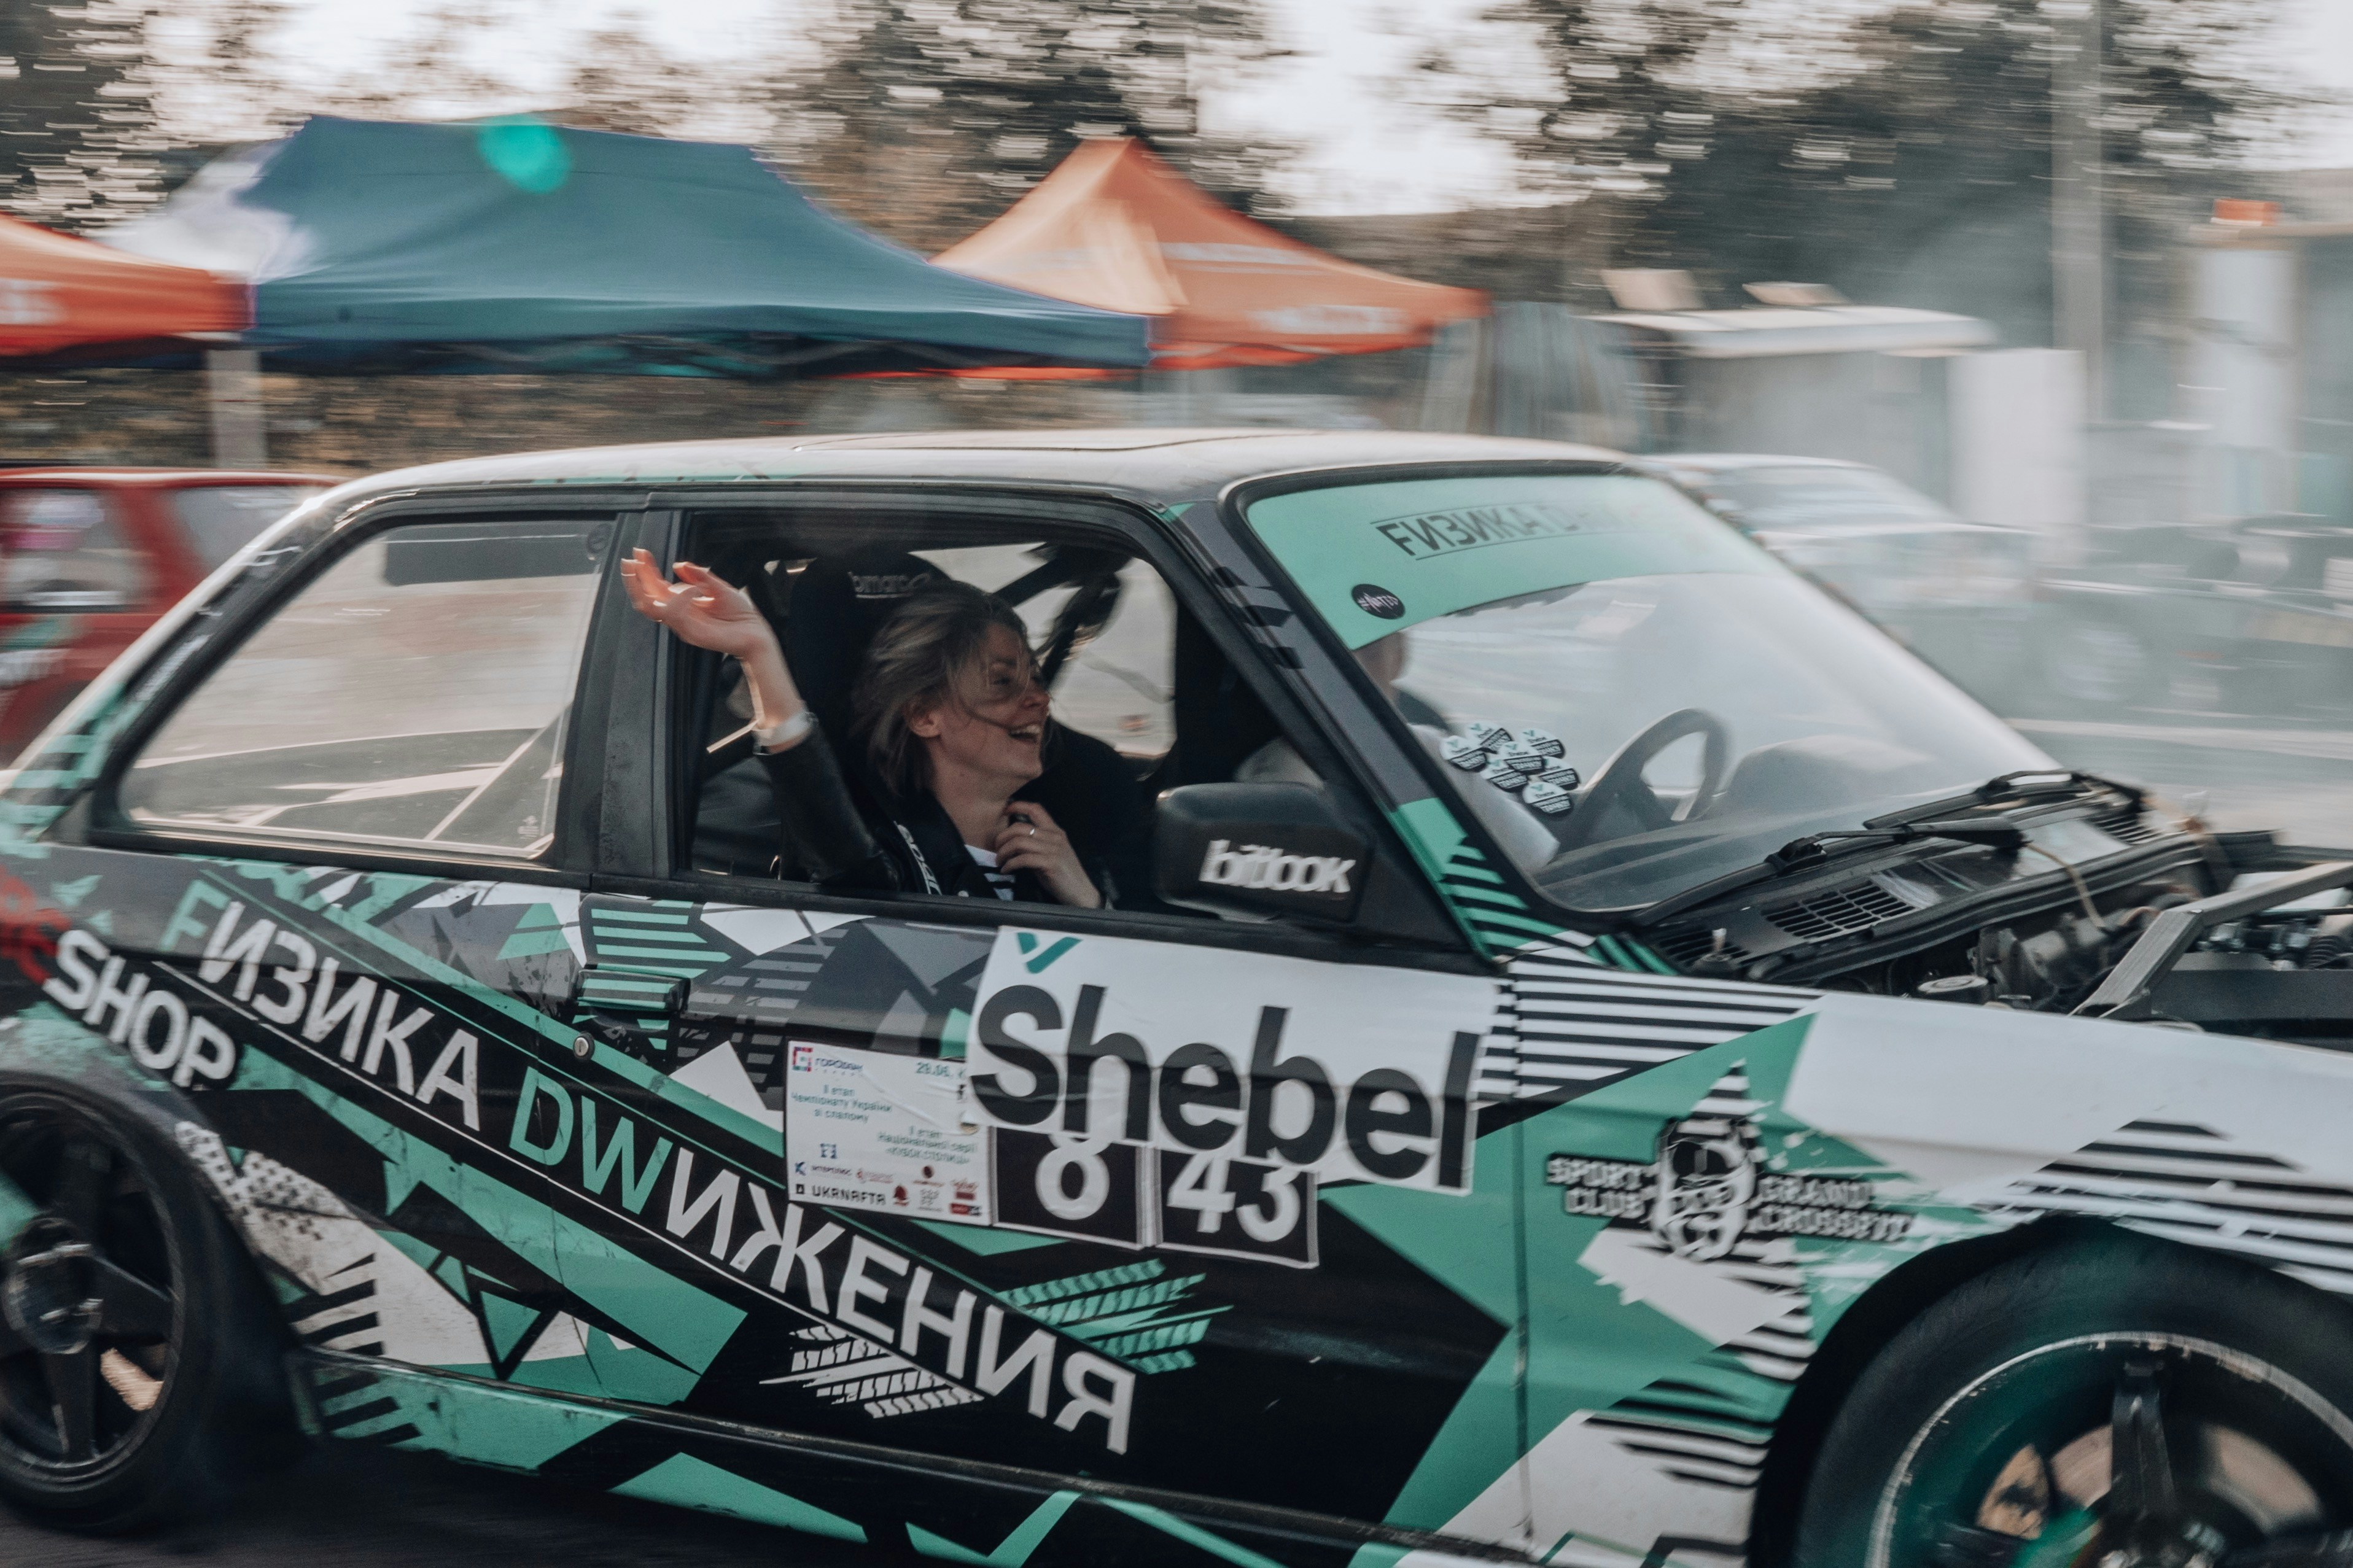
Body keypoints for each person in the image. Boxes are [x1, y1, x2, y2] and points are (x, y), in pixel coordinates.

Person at [621, 549, 1106, 909]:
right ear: (923, 716)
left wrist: (1086, 900)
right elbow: (830, 830)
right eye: (1002, 682)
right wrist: (758, 650)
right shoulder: (889, 857)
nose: (1039, 699)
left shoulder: (1061, 843)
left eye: (1036, 678)